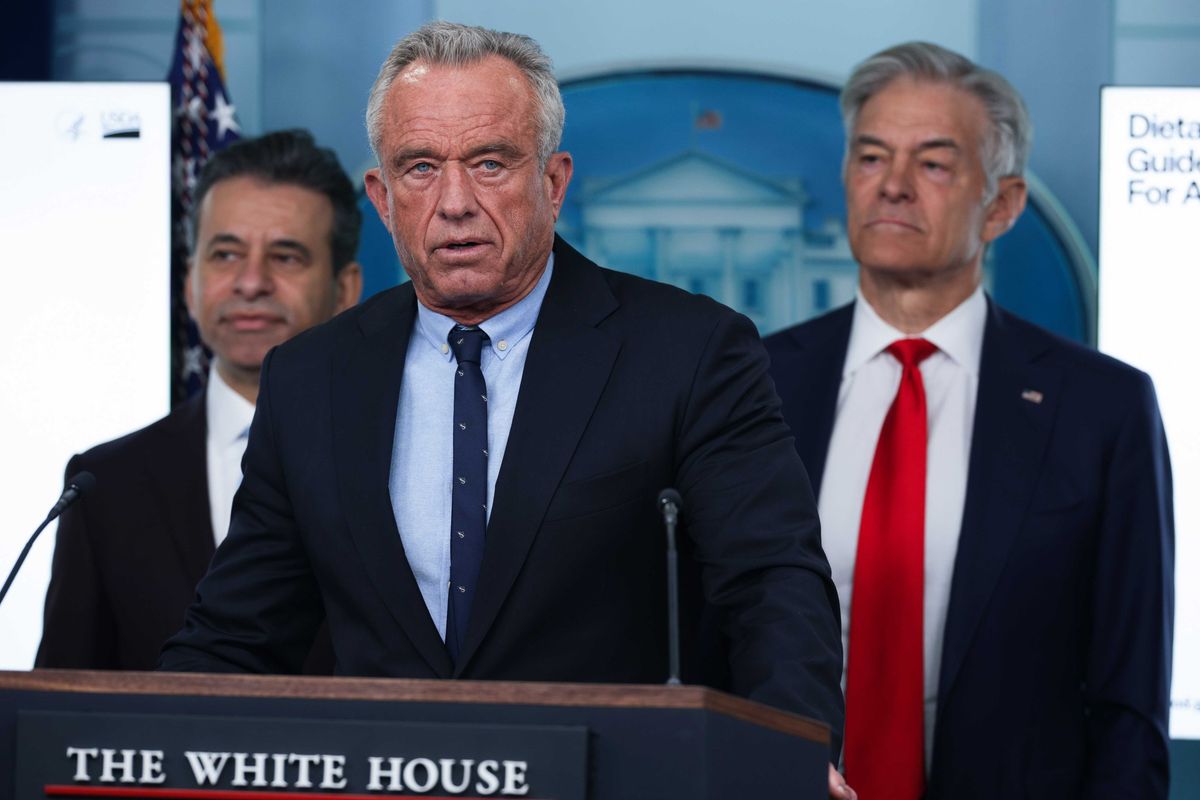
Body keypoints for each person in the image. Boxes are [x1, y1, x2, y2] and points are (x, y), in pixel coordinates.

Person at [160, 20, 851, 796]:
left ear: (553, 183)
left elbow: (771, 587)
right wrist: (138, 750)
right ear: (383, 199)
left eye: (489, 162)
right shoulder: (312, 377)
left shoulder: (688, 352)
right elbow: (239, 635)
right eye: (421, 168)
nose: (454, 203)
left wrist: (790, 759)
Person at [765, 42, 1174, 799]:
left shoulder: (1102, 408)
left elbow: (1128, 704)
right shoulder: (753, 384)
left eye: (933, 164)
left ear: (1004, 205)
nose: (891, 187)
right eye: (871, 157)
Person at [37, 129, 363, 672]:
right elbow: (59, 717)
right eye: (226, 254)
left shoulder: (406, 464)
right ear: (190, 281)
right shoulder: (103, 485)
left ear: (345, 289)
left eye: (285, 256)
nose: (251, 282)